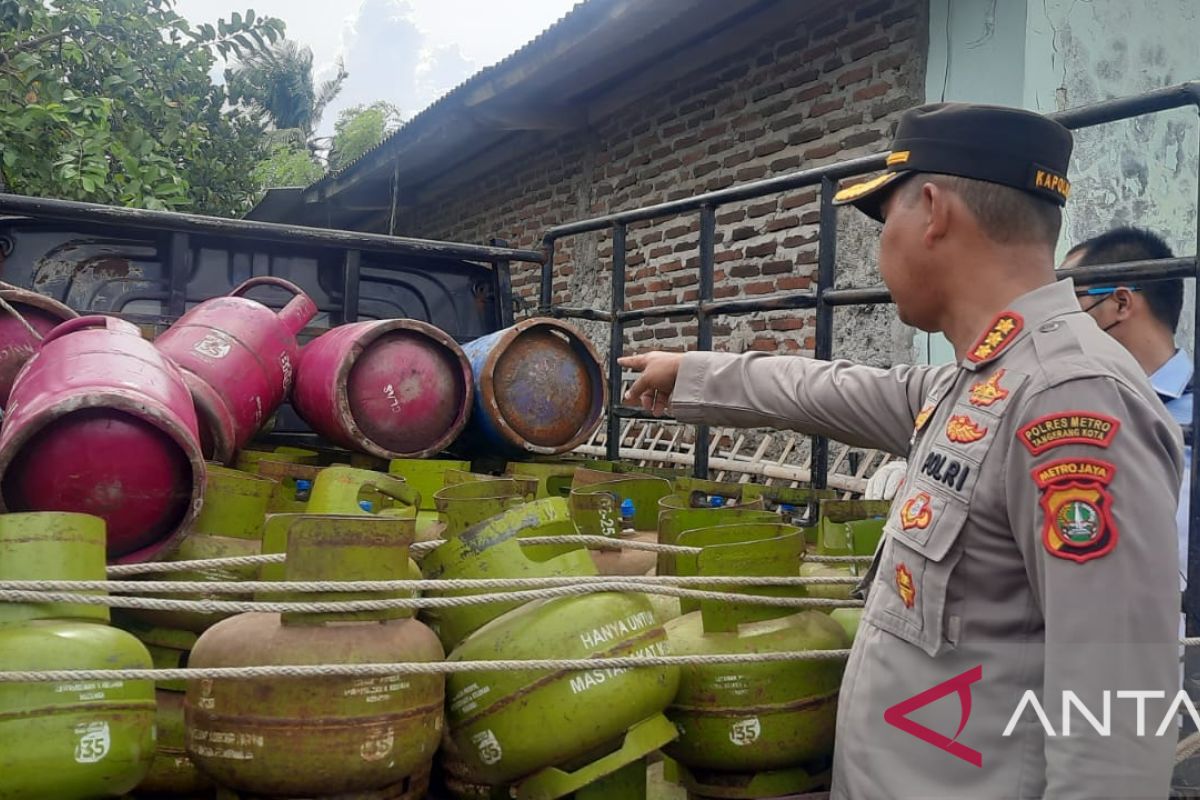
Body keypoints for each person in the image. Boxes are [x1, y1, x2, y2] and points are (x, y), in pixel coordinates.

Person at [620, 103, 1183, 798]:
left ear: (933, 212)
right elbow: (825, 388)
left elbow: (1114, 727)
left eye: (886, 223)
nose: (882, 249)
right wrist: (692, 371)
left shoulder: (1071, 398)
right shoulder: (979, 380)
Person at [1063, 228, 1192, 593]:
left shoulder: (1188, 416)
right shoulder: (1062, 407)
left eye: (1070, 301)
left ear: (1120, 304)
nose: (1055, 322)